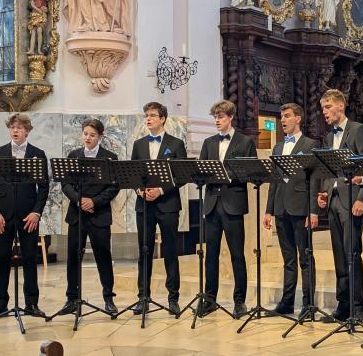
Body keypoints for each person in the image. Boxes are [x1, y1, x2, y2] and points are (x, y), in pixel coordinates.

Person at [0, 114, 49, 320]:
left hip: (28, 215)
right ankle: (0, 305)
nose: (15, 130)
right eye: (12, 127)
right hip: (2, 215)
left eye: (20, 127)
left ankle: (31, 304)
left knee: (30, 258)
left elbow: (44, 188)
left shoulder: (37, 154)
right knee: (2, 259)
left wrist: (36, 212)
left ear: (27, 130)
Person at [317, 89, 363, 323]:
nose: (325, 113)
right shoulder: (330, 136)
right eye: (323, 109)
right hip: (334, 200)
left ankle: (358, 306)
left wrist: (362, 197)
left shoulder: (357, 129)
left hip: (351, 200)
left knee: (352, 253)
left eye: (328, 107)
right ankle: (343, 303)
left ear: (341, 106)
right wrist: (323, 192)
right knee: (339, 254)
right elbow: (329, 169)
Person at [199, 100, 257, 319]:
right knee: (210, 255)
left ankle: (239, 301)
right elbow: (202, 170)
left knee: (237, 255)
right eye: (215, 117)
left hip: (233, 204)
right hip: (212, 204)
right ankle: (210, 299)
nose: (217, 120)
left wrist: (227, 175)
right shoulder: (208, 142)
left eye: (221, 117)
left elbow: (249, 172)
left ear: (230, 117)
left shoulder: (244, 142)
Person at [57, 119, 121, 316]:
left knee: (103, 256)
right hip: (77, 215)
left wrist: (94, 201)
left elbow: (114, 186)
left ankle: (108, 298)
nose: (88, 138)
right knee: (73, 257)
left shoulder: (110, 158)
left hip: (99, 215)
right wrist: (79, 200)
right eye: (85, 134)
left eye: (92, 135)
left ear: (100, 136)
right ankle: (71, 299)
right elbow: (66, 184)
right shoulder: (73, 155)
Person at [130, 102, 187, 316]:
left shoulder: (176, 143)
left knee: (171, 252)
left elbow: (182, 176)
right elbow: (132, 172)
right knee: (144, 251)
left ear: (163, 118)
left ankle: (173, 298)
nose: (148, 118)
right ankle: (143, 298)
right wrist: (139, 190)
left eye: (153, 115)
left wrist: (161, 191)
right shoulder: (139, 144)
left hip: (167, 204)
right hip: (144, 205)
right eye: (146, 115)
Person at [264, 103, 321, 315]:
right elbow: (274, 180)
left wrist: (313, 210)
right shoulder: (278, 147)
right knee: (288, 259)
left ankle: (308, 304)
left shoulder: (311, 144)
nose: (283, 120)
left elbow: (315, 179)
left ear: (298, 118)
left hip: (300, 208)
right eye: (282, 117)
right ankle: (287, 302)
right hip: (280, 208)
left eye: (287, 116)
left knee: (305, 257)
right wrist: (269, 210)